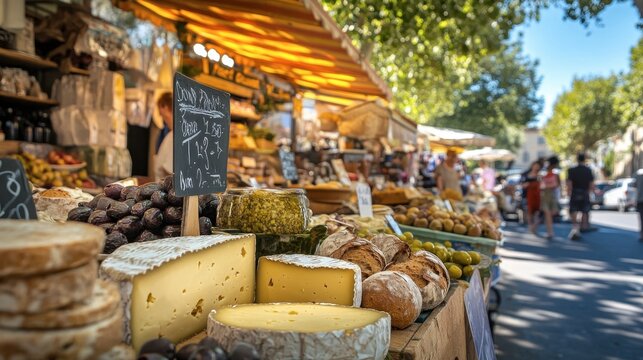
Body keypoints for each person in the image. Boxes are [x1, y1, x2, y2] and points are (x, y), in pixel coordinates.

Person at [567, 153, 595, 240]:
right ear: (584, 159)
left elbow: (569, 183)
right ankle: (583, 226)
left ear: (577, 159)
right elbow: (591, 183)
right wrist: (589, 192)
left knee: (573, 210)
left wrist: (569, 192)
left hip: (575, 191)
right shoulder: (588, 170)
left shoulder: (572, 170)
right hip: (585, 192)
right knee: (585, 211)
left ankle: (575, 226)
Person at [154, 92, 173, 181]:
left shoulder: (174, 136)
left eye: (163, 116)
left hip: (167, 191)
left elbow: (170, 171)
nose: (164, 121)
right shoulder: (171, 135)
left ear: (165, 107)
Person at [540, 156, 560, 240]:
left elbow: (557, 185)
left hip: (552, 195)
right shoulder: (543, 173)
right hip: (545, 196)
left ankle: (536, 226)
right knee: (547, 214)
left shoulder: (555, 174)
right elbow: (541, 185)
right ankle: (550, 232)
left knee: (550, 214)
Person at [522, 161, 542, 234]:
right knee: (529, 212)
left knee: (537, 213)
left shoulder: (540, 175)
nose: (536, 167)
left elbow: (542, 185)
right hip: (528, 195)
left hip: (537, 195)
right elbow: (522, 184)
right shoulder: (527, 175)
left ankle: (534, 227)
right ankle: (530, 226)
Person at [636, 169, 643, 241]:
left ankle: (642, 234)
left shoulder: (638, 174)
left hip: (640, 200)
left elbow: (635, 186)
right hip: (640, 200)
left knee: (641, 218)